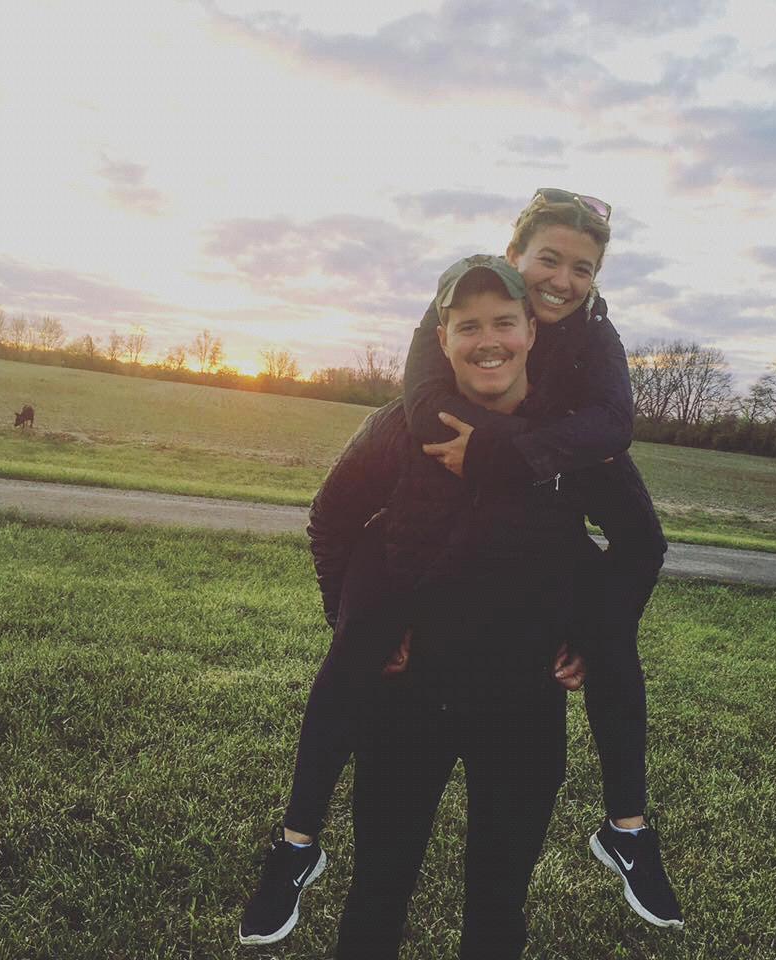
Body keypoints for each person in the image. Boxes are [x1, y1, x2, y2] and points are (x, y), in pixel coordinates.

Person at [238, 192, 682, 947]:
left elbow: (641, 544)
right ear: (441, 339)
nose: (489, 342)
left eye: (505, 324)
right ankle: (296, 844)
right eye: (468, 327)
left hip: (524, 709)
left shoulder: (575, 444)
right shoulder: (401, 426)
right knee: (376, 897)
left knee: (497, 912)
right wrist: (352, 624)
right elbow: (332, 521)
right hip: (407, 701)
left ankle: (628, 828)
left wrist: (593, 636)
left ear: (531, 331)